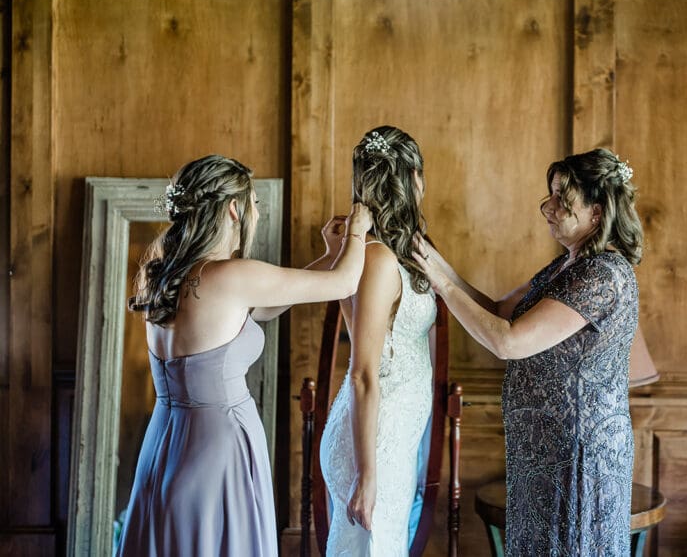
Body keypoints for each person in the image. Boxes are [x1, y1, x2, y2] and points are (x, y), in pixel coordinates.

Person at [118, 154, 371, 556]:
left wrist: (330, 254)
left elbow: (269, 303)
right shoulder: (230, 275)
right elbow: (344, 284)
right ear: (234, 209)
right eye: (254, 202)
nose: (256, 212)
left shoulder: (163, 275)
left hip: (164, 443)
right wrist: (358, 231)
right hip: (217, 449)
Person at [413, 147, 643, 556]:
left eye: (562, 199)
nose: (548, 208)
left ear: (596, 211)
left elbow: (509, 341)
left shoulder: (602, 275)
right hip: (544, 453)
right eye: (550, 196)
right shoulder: (564, 266)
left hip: (578, 458)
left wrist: (441, 284)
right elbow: (497, 310)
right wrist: (433, 261)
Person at [321, 127, 437, 556]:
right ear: (414, 178)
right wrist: (367, 474)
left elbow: (366, 338)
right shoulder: (378, 259)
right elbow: (363, 372)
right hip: (374, 443)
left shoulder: (396, 254)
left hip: (393, 437)